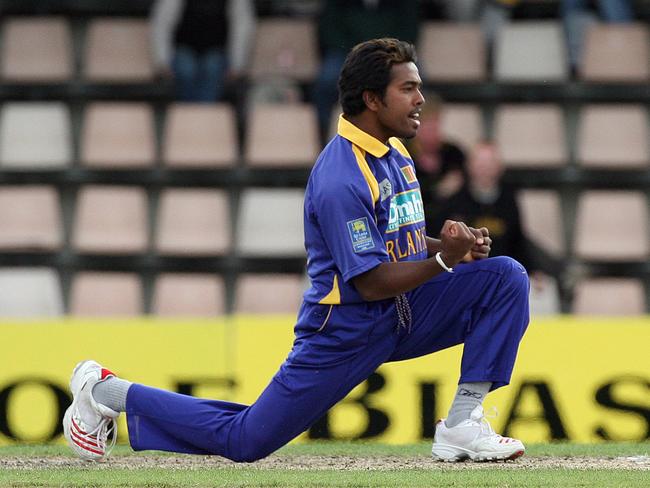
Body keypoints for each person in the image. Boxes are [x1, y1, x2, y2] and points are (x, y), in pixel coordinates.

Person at [63, 39, 530, 464]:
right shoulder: (340, 178)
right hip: (346, 328)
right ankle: (107, 390)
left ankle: (463, 424)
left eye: (419, 87)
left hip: (403, 308)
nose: (420, 99)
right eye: (408, 88)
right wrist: (443, 259)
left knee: (505, 277)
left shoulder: (395, 150)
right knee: (245, 441)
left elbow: (396, 239)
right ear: (372, 99)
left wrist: (452, 247)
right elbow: (367, 282)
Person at [313, 0, 419, 142]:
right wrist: (360, 55)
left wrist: (385, 53)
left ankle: (411, 140)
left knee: (418, 76)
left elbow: (409, 30)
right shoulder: (336, 4)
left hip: (391, 55)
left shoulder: (403, 5)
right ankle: (323, 137)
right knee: (326, 81)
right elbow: (329, 31)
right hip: (347, 54)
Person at [429, 141, 532, 271]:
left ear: (499, 167)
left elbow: (518, 242)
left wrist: (532, 270)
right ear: (469, 165)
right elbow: (438, 241)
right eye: (480, 163)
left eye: (490, 163)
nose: (484, 168)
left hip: (504, 270)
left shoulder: (508, 200)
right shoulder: (454, 200)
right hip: (463, 271)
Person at [150, 0, 254, 102]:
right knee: (186, 68)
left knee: (212, 67)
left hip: (217, 52)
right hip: (183, 50)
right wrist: (162, 62)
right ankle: (189, 114)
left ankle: (204, 115)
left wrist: (237, 65)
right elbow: (161, 25)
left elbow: (242, 27)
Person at [408, 94, 468, 232]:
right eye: (428, 127)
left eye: (436, 126)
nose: (433, 133)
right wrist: (438, 190)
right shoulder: (404, 155)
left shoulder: (454, 154)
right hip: (417, 228)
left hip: (453, 227)